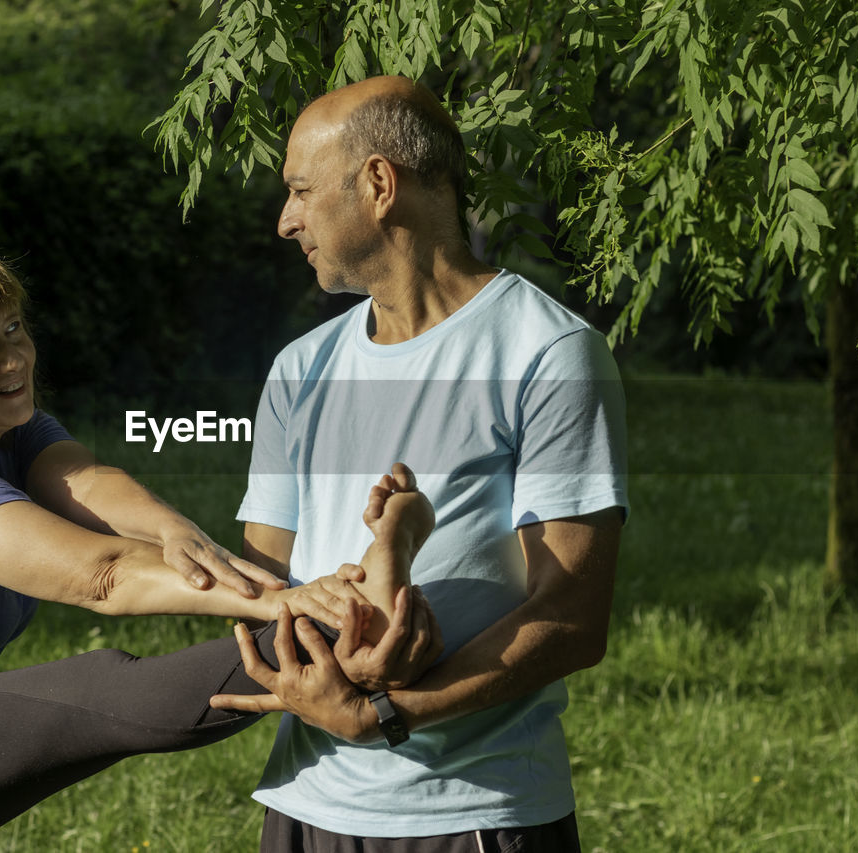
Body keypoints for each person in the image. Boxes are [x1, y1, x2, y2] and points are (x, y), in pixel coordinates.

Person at [0, 237, 437, 852]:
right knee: (100, 689)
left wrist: (172, 530)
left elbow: (88, 483)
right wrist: (288, 601)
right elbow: (103, 575)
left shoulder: (7, 433)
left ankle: (335, 631)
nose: (13, 355)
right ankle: (338, 628)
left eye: (13, 328)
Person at [209, 75, 630, 852]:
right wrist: (343, 636)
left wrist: (387, 713)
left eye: (300, 189)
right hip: (309, 803)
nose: (284, 220)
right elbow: (259, 589)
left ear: (378, 183)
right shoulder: (299, 370)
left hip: (473, 814)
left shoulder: (550, 353)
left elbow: (571, 618)